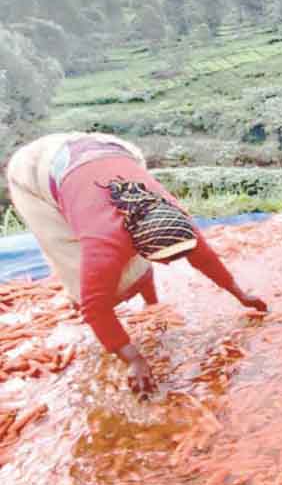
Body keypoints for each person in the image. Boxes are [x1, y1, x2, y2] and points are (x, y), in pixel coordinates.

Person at [6, 133, 268, 394]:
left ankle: (151, 304)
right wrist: (134, 359)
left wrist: (241, 294)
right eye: (165, 260)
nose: (171, 264)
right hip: (34, 170)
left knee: (128, 270)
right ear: (133, 241)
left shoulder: (171, 215)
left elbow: (204, 257)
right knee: (76, 263)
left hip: (108, 150)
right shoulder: (104, 241)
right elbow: (95, 307)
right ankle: (99, 319)